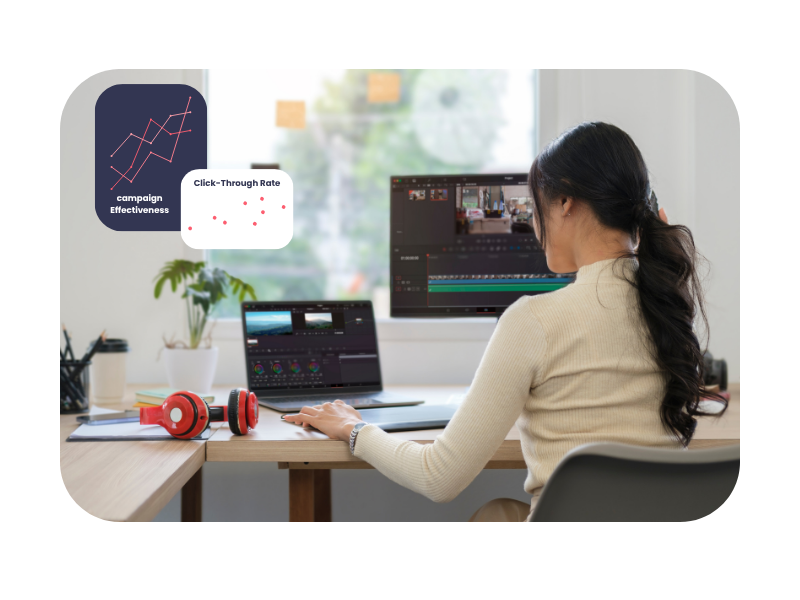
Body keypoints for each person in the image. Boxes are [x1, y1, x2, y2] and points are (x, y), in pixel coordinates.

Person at [284, 122, 727, 522]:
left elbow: (438, 476)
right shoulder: (670, 310)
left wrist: (355, 429)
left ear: (565, 202)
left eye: (535, 209)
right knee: (498, 512)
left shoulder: (534, 321)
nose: (534, 227)